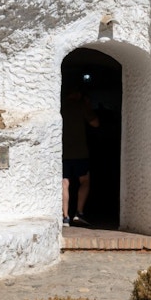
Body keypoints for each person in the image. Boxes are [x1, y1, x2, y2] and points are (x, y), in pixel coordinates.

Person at [61, 85, 99, 226]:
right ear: (77, 94)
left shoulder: (60, 106)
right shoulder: (81, 106)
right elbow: (95, 123)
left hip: (62, 152)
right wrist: (88, 106)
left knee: (64, 183)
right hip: (79, 152)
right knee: (84, 181)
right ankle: (79, 212)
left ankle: (65, 217)